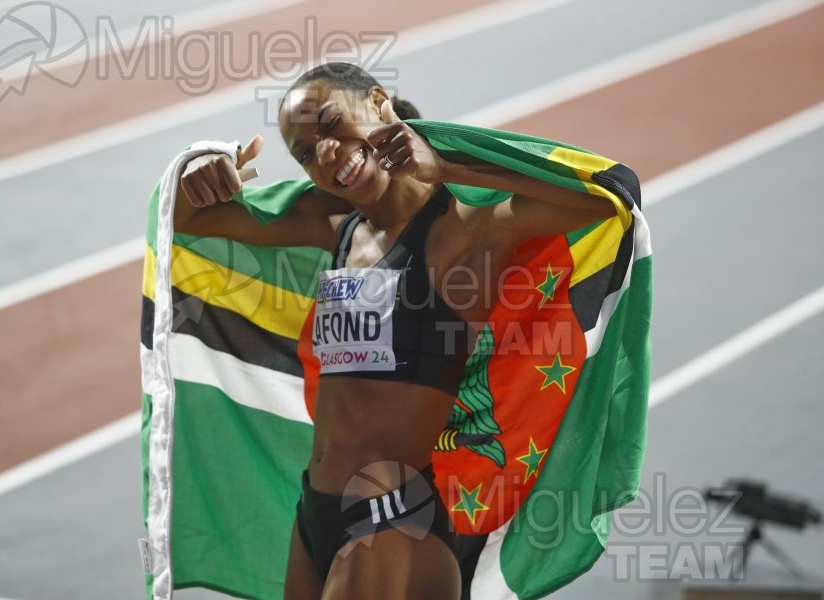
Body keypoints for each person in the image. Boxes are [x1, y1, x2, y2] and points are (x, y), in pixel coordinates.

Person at [174, 62, 618, 600]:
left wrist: (445, 163)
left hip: (390, 516)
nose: (327, 153)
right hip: (315, 511)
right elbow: (187, 220)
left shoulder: (464, 237)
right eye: (307, 153)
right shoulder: (336, 226)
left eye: (332, 124)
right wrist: (202, 166)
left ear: (380, 103)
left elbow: (604, 198)